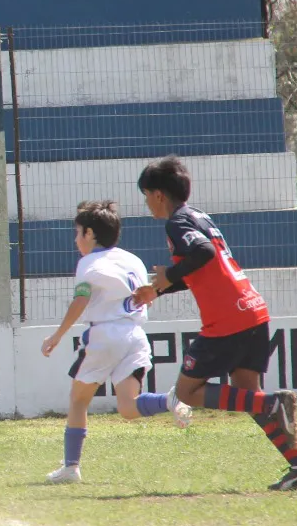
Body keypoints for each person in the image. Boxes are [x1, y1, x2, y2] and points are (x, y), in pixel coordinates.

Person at [132, 156, 297, 491]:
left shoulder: (176, 223)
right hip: (252, 310)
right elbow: (203, 266)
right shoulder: (200, 217)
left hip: (228, 320)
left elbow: (201, 253)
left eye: (146, 195)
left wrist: (169, 274)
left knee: (187, 392)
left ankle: (273, 403)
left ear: (158, 194)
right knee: (247, 394)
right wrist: (158, 288)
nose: (147, 203)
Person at [39, 201, 193, 485]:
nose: (76, 240)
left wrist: (57, 335)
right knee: (128, 407)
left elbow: (81, 299)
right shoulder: (132, 259)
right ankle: (169, 400)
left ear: (89, 233)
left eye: (77, 233)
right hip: (134, 334)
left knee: (78, 400)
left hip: (105, 335)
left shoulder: (88, 263)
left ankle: (71, 468)